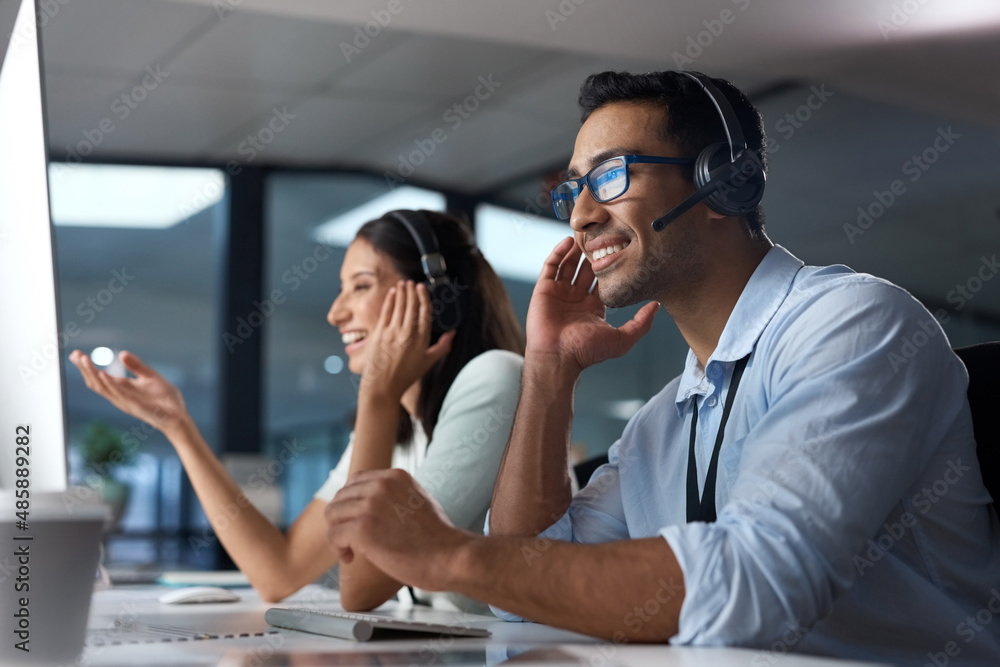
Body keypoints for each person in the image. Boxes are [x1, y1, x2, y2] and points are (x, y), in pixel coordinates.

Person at [323, 71, 1000, 663]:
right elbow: (525, 597)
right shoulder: (666, 418)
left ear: (723, 182)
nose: (582, 216)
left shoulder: (854, 325)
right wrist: (550, 371)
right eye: (573, 191)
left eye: (611, 175)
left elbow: (755, 582)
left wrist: (447, 553)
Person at [70, 209, 525, 612]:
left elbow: (361, 589)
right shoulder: (400, 427)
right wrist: (178, 426)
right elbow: (279, 572)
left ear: (436, 299)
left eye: (360, 287)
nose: (335, 313)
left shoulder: (493, 377)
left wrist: (377, 396)